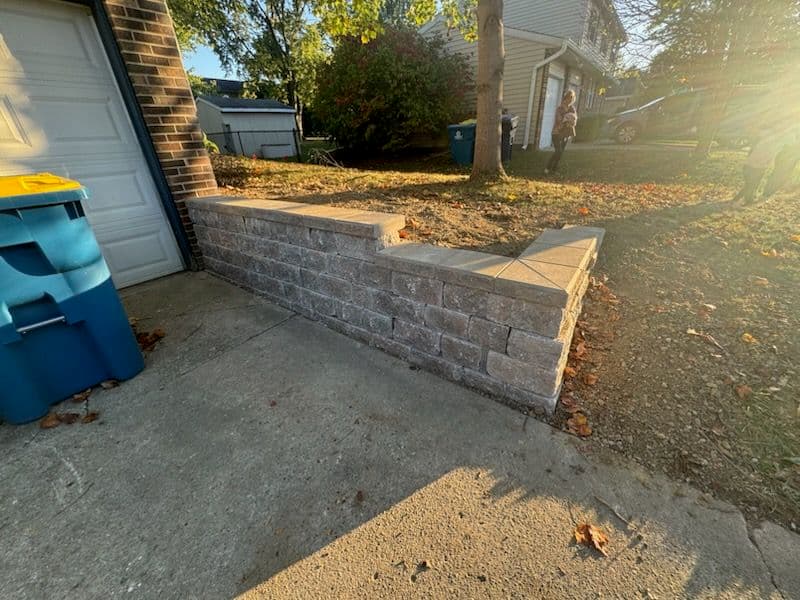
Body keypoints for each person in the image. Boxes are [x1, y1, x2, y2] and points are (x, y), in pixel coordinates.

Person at [545, 90, 578, 175]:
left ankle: (554, 169)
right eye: (569, 97)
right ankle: (547, 168)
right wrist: (567, 119)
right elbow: (559, 120)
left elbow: (574, 120)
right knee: (558, 151)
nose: (570, 100)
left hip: (566, 133)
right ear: (565, 98)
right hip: (556, 133)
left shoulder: (572, 108)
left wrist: (568, 119)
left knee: (560, 153)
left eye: (572, 98)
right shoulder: (560, 108)